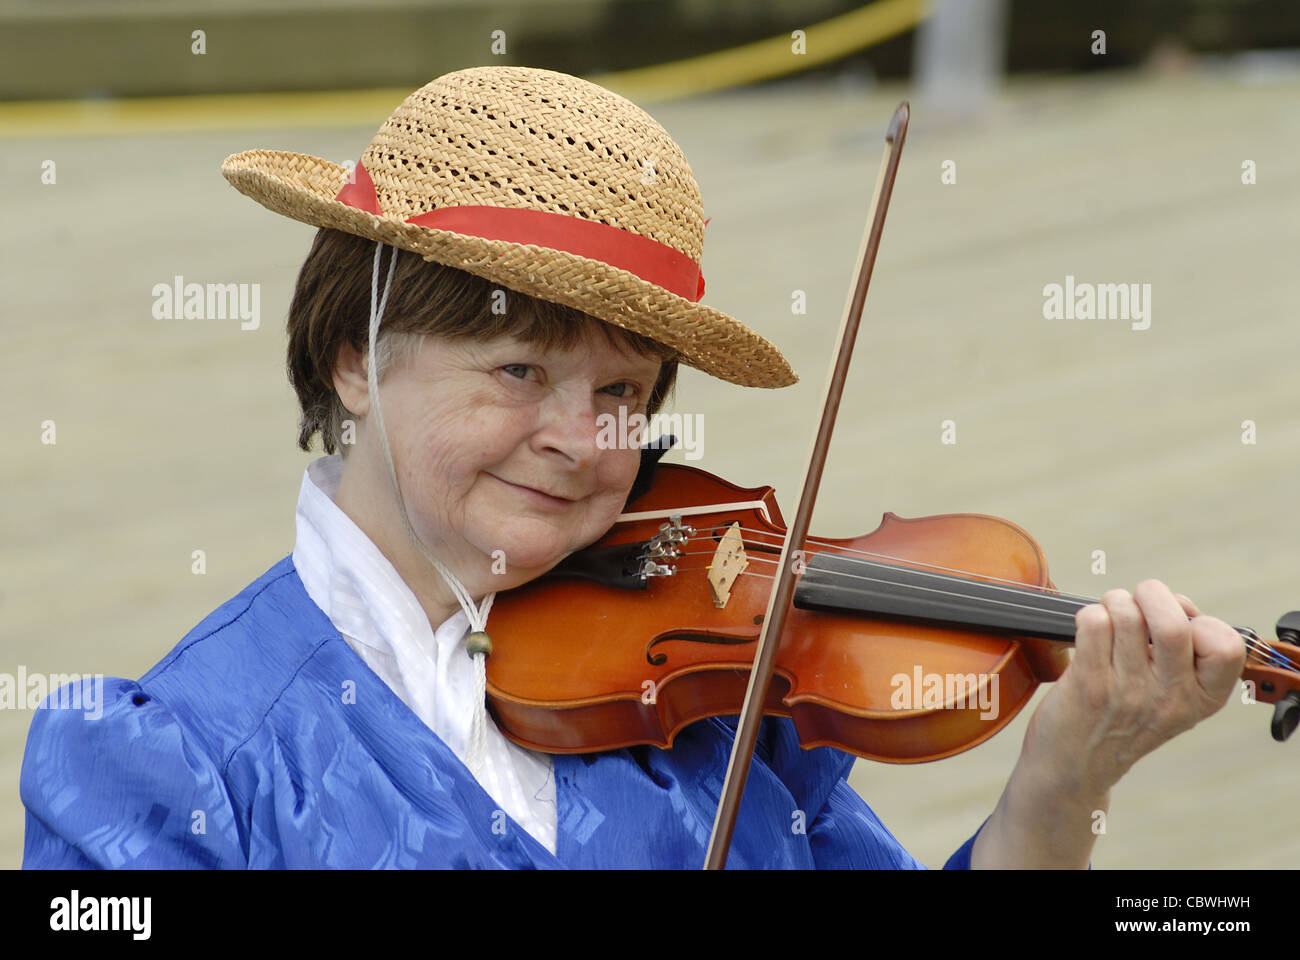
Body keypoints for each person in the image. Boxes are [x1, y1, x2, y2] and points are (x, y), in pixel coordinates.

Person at [20, 66, 1245, 869]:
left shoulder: (727, 707)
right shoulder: (162, 762)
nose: (581, 438)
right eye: (515, 373)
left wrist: (1060, 783)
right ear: (352, 359)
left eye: (621, 393)